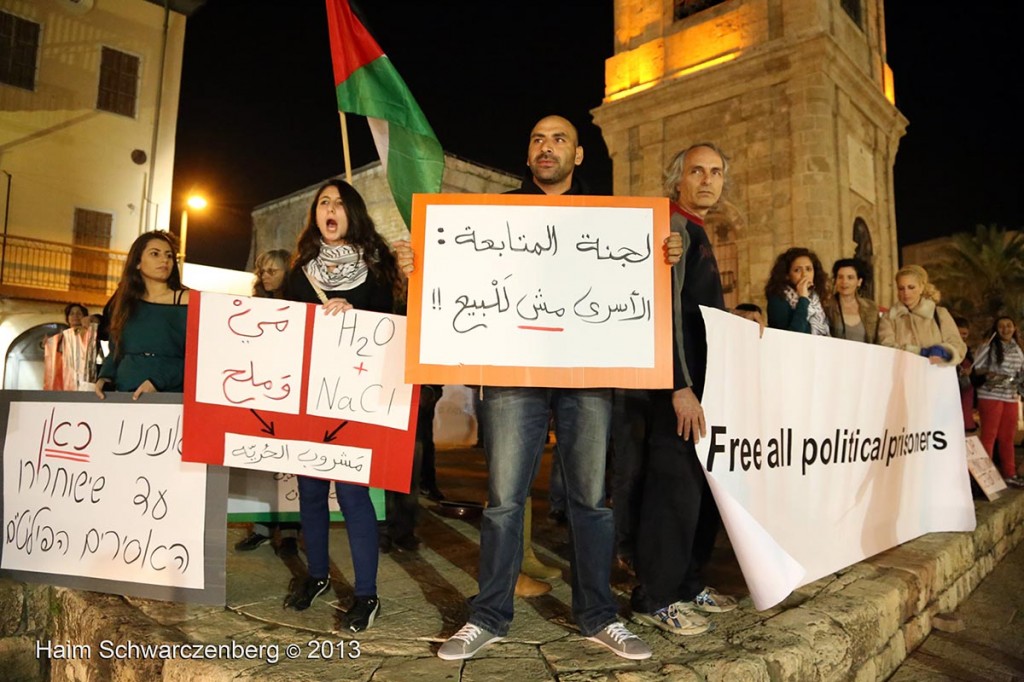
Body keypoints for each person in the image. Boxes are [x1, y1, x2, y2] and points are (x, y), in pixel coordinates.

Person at [397, 115, 659, 661]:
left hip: (586, 380)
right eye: (537, 138)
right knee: (503, 503)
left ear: (579, 155)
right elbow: (458, 273)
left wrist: (663, 258)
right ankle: (488, 615)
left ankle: (598, 615)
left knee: (591, 501)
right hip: (514, 378)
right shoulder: (495, 216)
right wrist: (421, 263)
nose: (547, 147)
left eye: (560, 139)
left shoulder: (612, 219)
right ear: (529, 153)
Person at [622, 143, 738, 640]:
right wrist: (679, 386)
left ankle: (688, 583)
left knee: (700, 491)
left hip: (704, 386)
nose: (707, 180)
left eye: (715, 173)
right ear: (678, 179)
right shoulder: (670, 226)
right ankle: (656, 596)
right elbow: (665, 312)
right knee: (673, 491)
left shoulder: (697, 228)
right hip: (679, 390)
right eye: (697, 171)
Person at [280, 179, 397, 633]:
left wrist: (357, 317)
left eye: (338, 203)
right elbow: (286, 325)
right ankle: (317, 576)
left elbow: (393, 325)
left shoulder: (377, 267)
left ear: (352, 213)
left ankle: (366, 593)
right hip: (310, 393)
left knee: (351, 492)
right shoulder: (301, 270)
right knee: (310, 489)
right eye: (323, 202)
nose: (330, 209)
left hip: (356, 396)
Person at [234, 248, 301, 557]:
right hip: (259, 393)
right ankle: (261, 528)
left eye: (273, 270)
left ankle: (289, 531)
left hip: (291, 393)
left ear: (288, 272)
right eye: (262, 271)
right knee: (261, 464)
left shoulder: (301, 306)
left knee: (290, 465)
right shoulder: (253, 308)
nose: (265, 276)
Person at [94, 231, 188, 400]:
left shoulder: (189, 301)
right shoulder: (124, 303)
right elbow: (116, 350)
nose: (164, 260)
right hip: (124, 394)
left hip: (170, 396)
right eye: (155, 254)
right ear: (137, 262)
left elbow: (200, 358)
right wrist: (104, 376)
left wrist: (159, 381)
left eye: (169, 256)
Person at [877, 265, 965, 367]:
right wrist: (919, 351)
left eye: (911, 287)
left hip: (936, 375)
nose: (906, 292)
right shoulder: (889, 318)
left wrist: (944, 351)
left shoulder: (939, 314)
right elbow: (886, 348)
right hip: (903, 375)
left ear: (921, 288)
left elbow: (958, 346)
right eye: (901, 288)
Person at [972, 316, 1024, 487]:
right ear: (996, 329)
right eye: (1001, 326)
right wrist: (991, 374)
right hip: (990, 395)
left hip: (1010, 396)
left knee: (1007, 437)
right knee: (989, 436)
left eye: (1009, 325)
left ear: (1014, 328)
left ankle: (1009, 473)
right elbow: (977, 370)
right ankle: (985, 478)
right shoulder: (988, 346)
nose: (1006, 329)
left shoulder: (1018, 348)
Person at [765, 247, 830, 335]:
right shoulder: (778, 298)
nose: (804, 274)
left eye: (808, 269)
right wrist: (803, 298)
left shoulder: (817, 296)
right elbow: (794, 335)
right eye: (797, 270)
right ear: (787, 275)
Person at [825, 258, 879, 343]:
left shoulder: (871, 308)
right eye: (840, 277)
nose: (844, 282)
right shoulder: (826, 307)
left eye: (850, 277)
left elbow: (877, 341)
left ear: (859, 282)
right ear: (835, 281)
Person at [954, 316, 978, 433]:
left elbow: (974, 376)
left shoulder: (968, 351)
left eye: (965, 334)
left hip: (966, 395)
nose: (962, 337)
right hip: (954, 394)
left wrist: (970, 372)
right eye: (959, 333)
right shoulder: (946, 349)